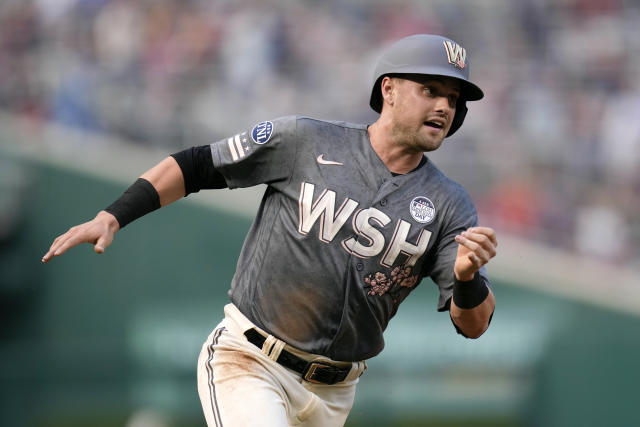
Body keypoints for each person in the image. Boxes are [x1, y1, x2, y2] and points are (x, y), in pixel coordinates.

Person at [42, 34, 497, 427]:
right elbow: (199, 165)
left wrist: (466, 277)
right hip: (252, 360)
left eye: (454, 100)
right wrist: (113, 215)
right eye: (431, 89)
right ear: (390, 89)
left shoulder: (448, 204)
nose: (444, 105)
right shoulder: (306, 140)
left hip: (335, 394)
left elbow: (473, 326)